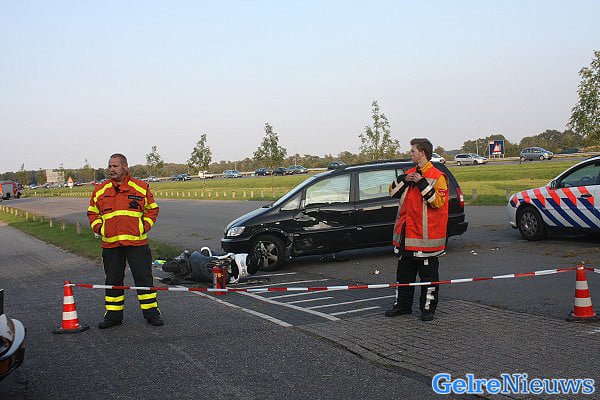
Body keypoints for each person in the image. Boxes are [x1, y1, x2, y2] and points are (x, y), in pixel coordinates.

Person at [87, 153, 163, 329]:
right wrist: (101, 229)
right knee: (113, 281)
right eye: (110, 166)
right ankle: (113, 316)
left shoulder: (140, 187)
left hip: (137, 243)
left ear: (125, 167)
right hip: (111, 244)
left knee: (144, 279)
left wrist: (143, 227)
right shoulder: (100, 190)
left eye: (115, 166)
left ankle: (152, 313)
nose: (111, 169)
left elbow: (153, 209)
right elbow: (92, 213)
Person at [385, 138, 449, 321]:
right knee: (403, 276)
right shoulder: (409, 173)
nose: (410, 153)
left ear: (422, 153)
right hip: (406, 238)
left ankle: (427, 309)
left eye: (413, 150)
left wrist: (422, 183)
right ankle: (402, 306)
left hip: (426, 240)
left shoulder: (438, 176)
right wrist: (404, 179)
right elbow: (391, 192)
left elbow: (438, 202)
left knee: (429, 278)